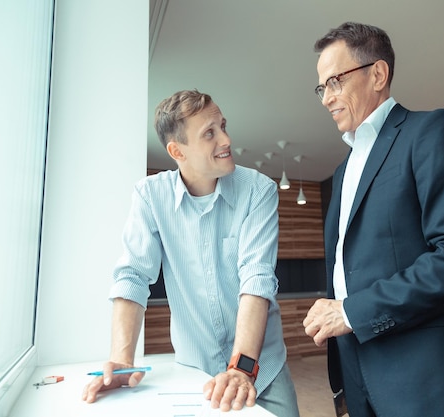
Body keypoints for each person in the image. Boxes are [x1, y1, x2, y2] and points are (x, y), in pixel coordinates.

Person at [302, 22, 444, 417]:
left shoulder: (430, 131)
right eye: (322, 88)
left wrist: (351, 311)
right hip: (359, 375)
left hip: (428, 379)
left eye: (333, 82)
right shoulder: (342, 170)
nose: (326, 98)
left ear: (378, 74)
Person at [82, 89, 299, 416]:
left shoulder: (258, 190)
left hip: (261, 370)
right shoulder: (150, 196)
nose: (226, 139)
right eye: (209, 133)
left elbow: (257, 278)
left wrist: (241, 369)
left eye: (223, 126)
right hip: (195, 372)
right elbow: (133, 276)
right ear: (176, 150)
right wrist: (122, 362)